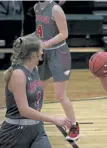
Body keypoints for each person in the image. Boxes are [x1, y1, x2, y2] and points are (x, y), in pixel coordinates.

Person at [0, 34, 72, 148]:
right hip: (15, 132)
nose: (42, 53)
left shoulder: (35, 69)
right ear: (33, 54)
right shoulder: (18, 74)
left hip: (37, 129)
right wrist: (54, 119)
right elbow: (24, 110)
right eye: (40, 50)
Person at [34, 0, 79, 142]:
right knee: (38, 90)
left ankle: (73, 125)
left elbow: (64, 34)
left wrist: (46, 43)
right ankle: (33, 122)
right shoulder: (36, 7)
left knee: (60, 94)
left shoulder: (56, 10)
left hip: (59, 54)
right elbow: (39, 31)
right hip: (43, 53)